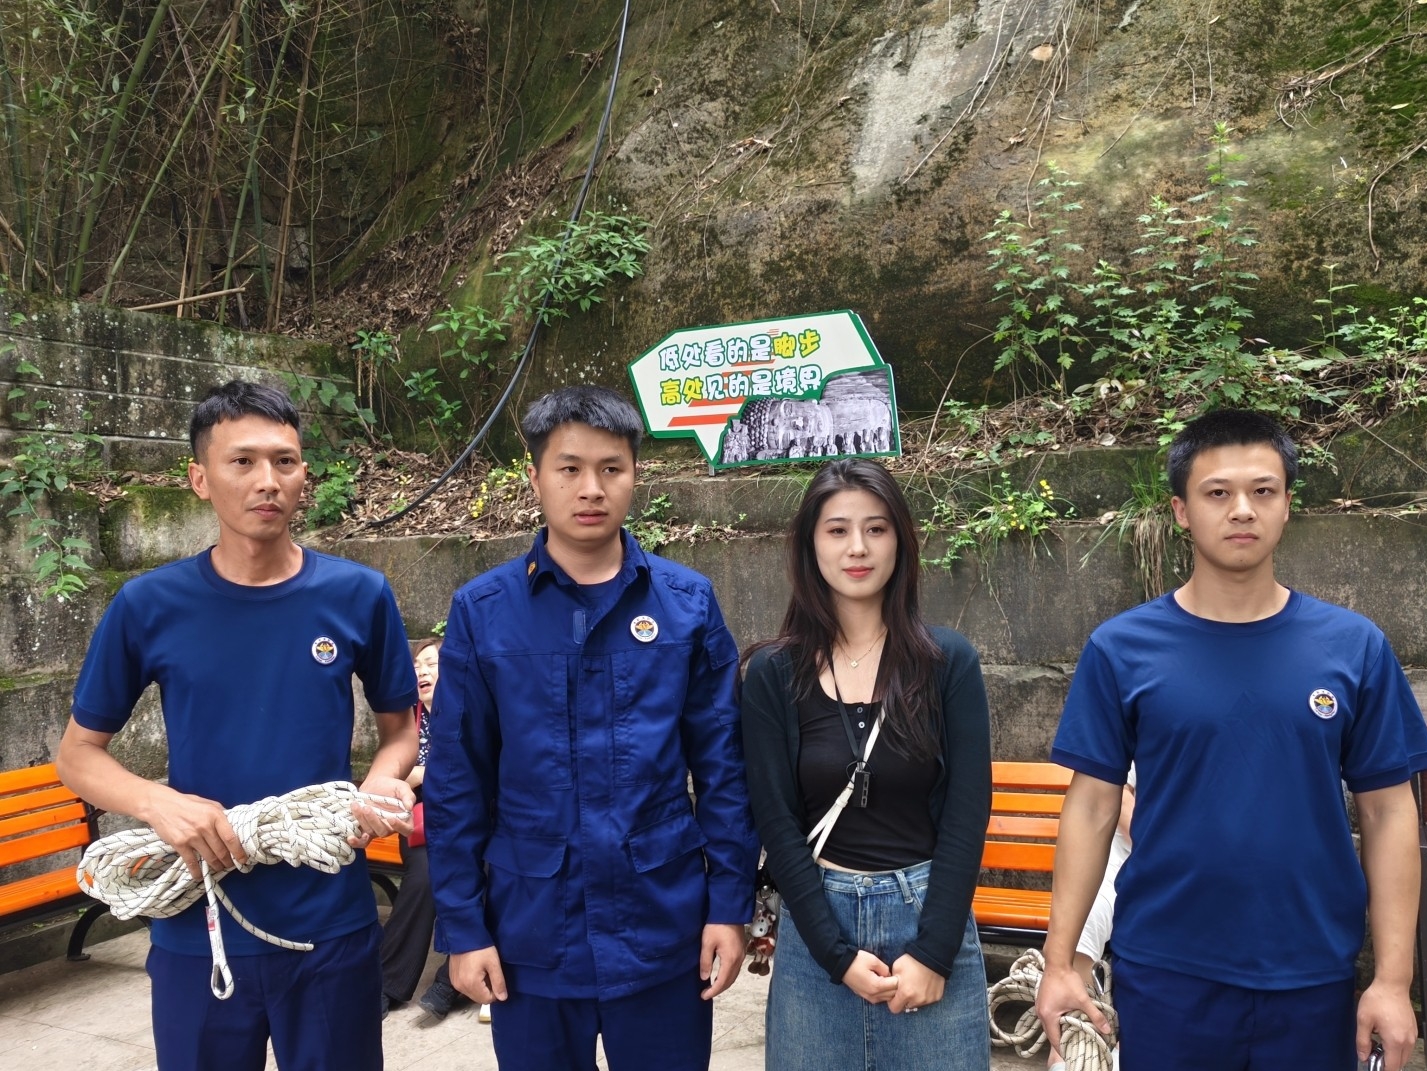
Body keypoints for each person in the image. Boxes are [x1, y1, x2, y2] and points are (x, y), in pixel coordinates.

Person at [1035, 409, 1427, 1071]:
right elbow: (1092, 806)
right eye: (1217, 492)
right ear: (1181, 511)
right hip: (1165, 970)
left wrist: (1392, 980)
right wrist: (1058, 961)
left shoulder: (1353, 646)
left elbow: (1389, 811)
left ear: (1286, 504)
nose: (1241, 509)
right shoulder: (1120, 648)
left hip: (1311, 971)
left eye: (1262, 490)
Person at [55, 380, 419, 1071]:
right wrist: (158, 803)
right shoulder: (148, 605)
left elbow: (400, 729)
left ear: (304, 474)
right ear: (200, 479)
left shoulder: (357, 594)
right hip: (199, 924)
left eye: (285, 461)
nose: (267, 481)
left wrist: (380, 782)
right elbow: (77, 755)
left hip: (330, 923)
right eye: (242, 462)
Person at [424, 385, 760, 1071]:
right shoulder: (484, 611)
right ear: (534, 478)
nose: (591, 488)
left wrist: (729, 907)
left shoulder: (686, 604)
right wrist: (463, 927)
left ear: (636, 474)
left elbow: (725, 770)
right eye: (569, 468)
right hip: (531, 933)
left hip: (660, 926)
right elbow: (457, 782)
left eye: (611, 468)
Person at [741, 458, 993, 1071]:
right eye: (837, 530)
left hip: (928, 919)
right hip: (817, 924)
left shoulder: (946, 662)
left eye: (876, 529)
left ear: (900, 542)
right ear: (811, 545)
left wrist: (933, 953)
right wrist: (836, 956)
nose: (857, 547)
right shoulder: (773, 673)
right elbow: (776, 820)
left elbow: (967, 813)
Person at [378, 638, 473, 1021]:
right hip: (423, 823)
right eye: (417, 666)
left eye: (432, 664)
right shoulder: (408, 723)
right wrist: (419, 775)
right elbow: (392, 779)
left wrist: (423, 772)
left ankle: (451, 981)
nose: (422, 671)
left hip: (470, 818)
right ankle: (386, 983)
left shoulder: (470, 713)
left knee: (486, 871)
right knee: (425, 877)